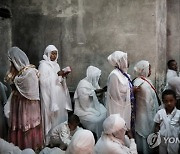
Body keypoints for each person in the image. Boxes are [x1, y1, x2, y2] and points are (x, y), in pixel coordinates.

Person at [4, 47, 43, 150]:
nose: (11, 63)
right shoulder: (21, 72)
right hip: (21, 104)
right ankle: (21, 148)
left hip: (27, 105)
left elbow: (23, 88)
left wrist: (14, 80)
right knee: (22, 125)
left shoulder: (29, 72)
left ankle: (29, 147)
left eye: (12, 61)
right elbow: (9, 81)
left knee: (28, 125)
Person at [38, 45, 72, 145]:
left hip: (59, 96)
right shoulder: (43, 65)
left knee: (60, 116)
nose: (54, 55)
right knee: (52, 118)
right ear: (47, 53)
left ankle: (62, 136)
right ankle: (51, 140)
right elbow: (43, 82)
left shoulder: (56, 65)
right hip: (50, 97)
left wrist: (62, 76)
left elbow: (58, 80)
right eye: (52, 53)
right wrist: (57, 75)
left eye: (55, 53)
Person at [133, 60, 159, 154]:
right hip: (143, 114)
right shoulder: (139, 83)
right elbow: (147, 100)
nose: (150, 71)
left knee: (149, 134)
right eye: (149, 68)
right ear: (144, 70)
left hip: (148, 113)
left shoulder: (146, 81)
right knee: (143, 134)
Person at [74, 65, 107, 138]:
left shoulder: (92, 82)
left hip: (93, 107)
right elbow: (84, 105)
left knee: (106, 113)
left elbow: (97, 89)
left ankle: (103, 137)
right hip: (84, 110)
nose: (98, 79)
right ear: (92, 76)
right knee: (97, 121)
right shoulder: (83, 85)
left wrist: (101, 91)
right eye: (97, 77)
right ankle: (95, 138)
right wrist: (93, 93)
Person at [106, 51, 133, 130]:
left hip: (125, 105)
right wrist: (131, 91)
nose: (128, 61)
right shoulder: (114, 75)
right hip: (117, 107)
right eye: (125, 59)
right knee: (118, 128)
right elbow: (115, 96)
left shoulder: (124, 75)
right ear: (119, 61)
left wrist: (130, 90)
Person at [154, 89, 180, 154]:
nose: (169, 103)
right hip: (162, 140)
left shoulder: (179, 113)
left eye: (171, 101)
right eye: (166, 101)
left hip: (175, 140)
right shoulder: (160, 113)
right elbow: (157, 126)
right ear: (163, 102)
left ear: (175, 101)